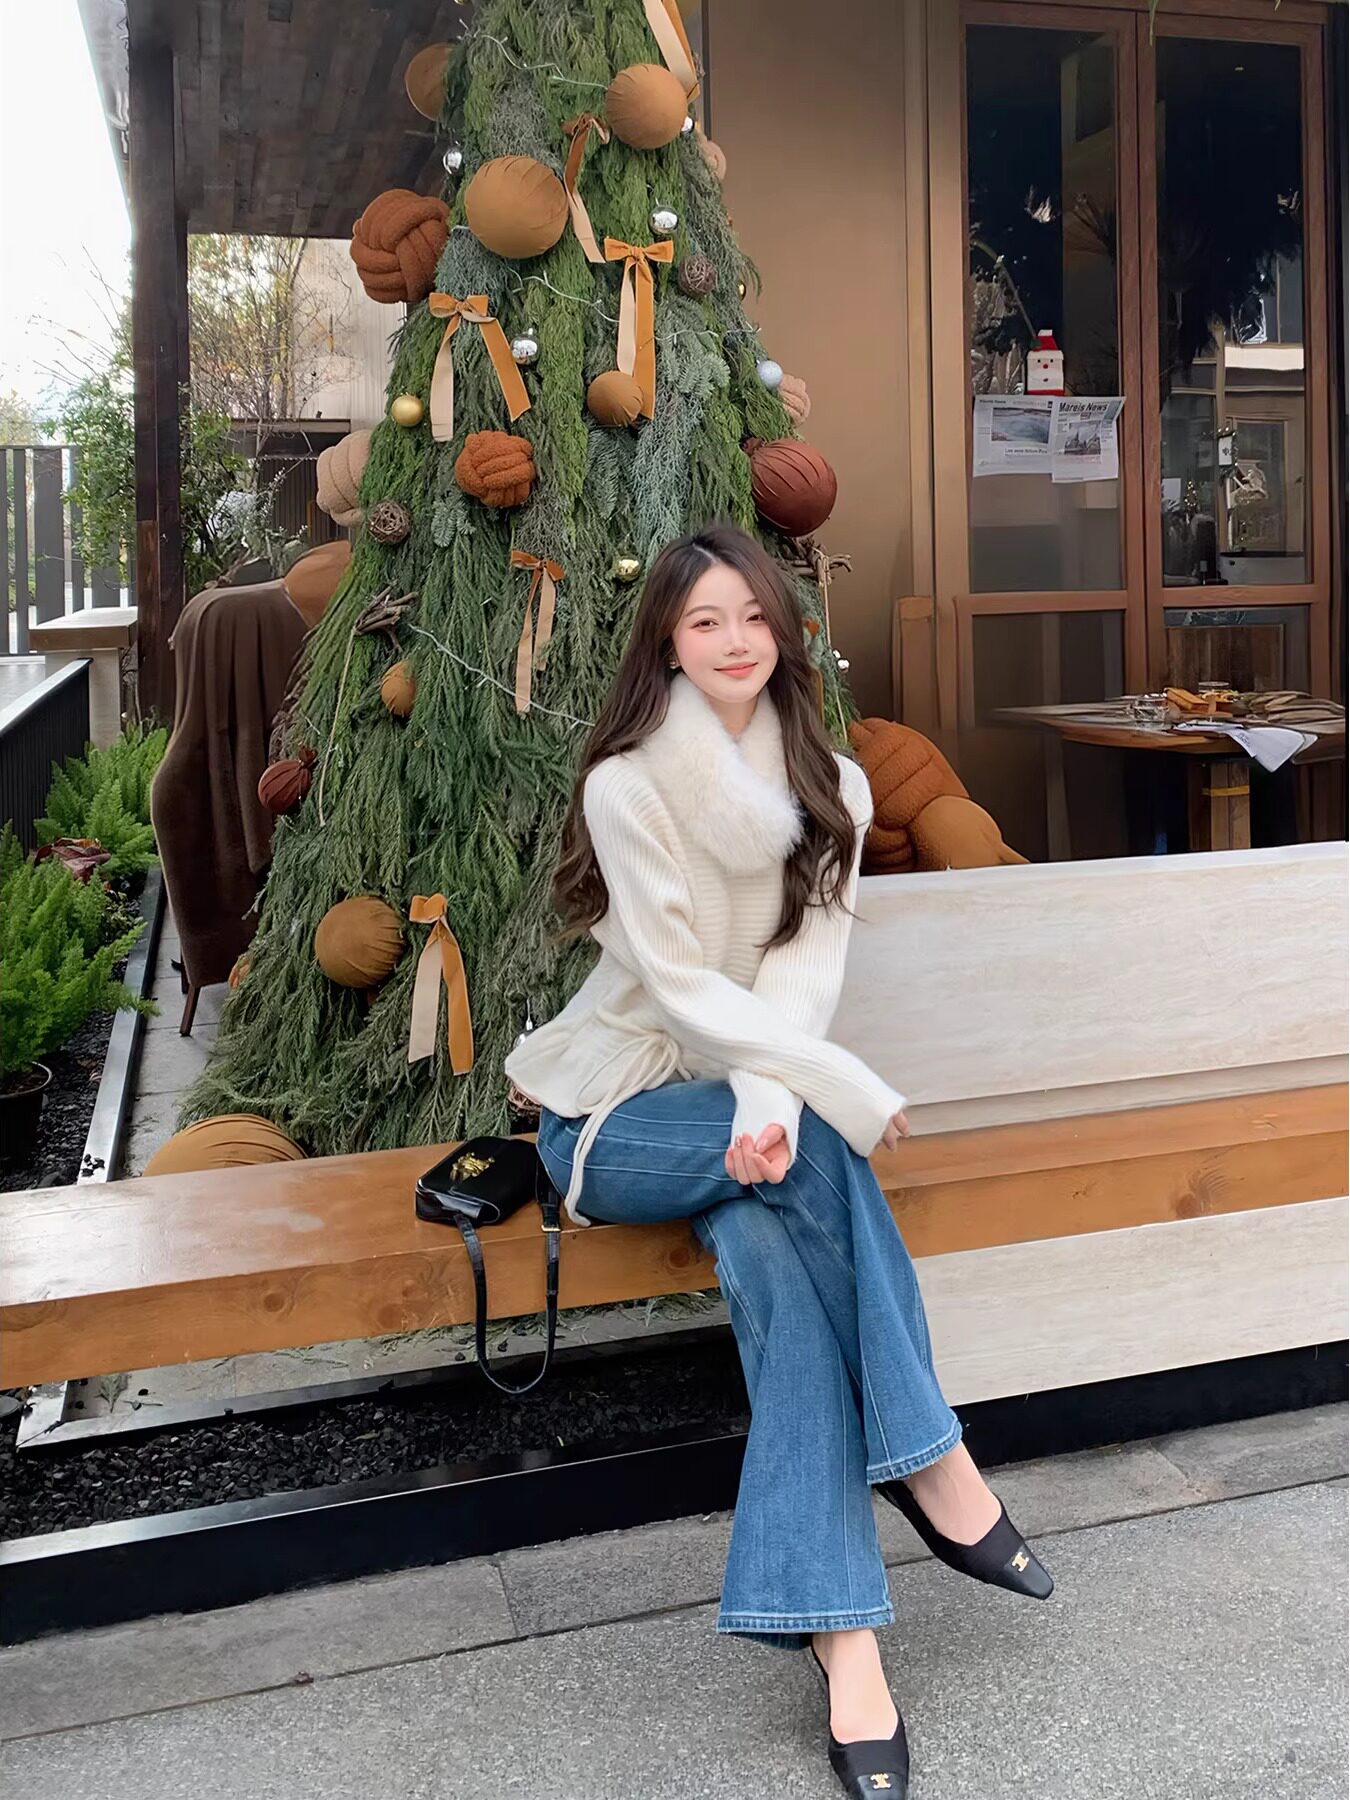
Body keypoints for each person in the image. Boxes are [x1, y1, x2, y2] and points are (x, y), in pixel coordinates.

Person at [504, 523, 1052, 1797]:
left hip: (747, 1109)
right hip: (620, 1116)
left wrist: (770, 1103)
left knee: (784, 1282)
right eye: (705, 621)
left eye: (753, 615)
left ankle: (846, 1645)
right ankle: (932, 1461)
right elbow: (685, 992)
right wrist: (823, 1093)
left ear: (784, 629)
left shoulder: (838, 789)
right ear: (667, 642)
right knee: (828, 1159)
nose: (734, 640)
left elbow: (801, 979)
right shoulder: (629, 786)